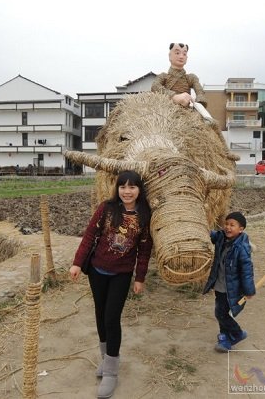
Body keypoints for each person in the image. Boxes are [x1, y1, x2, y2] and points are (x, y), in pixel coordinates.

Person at [69, 170, 153, 398]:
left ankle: (111, 373)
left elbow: (145, 250)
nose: (127, 191)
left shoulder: (144, 215)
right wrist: (77, 263)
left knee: (111, 318)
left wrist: (140, 277)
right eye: (123, 187)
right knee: (99, 314)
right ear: (117, 188)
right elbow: (89, 236)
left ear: (139, 190)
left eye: (132, 187)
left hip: (122, 274)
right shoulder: (106, 208)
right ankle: (106, 360)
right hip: (97, 270)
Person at [203, 211, 255, 352]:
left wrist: (249, 290)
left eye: (232, 225)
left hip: (232, 288)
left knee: (221, 313)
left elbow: (247, 271)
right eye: (226, 224)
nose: (228, 227)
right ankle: (225, 340)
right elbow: (211, 235)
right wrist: (202, 228)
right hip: (220, 285)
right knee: (221, 312)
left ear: (241, 229)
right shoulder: (221, 238)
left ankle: (238, 333)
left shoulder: (241, 248)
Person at [151, 42, 214, 123]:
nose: (181, 56)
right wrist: (174, 97)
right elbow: (155, 87)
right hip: (166, 112)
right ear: (170, 56)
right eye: (177, 53)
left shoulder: (191, 77)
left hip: (186, 113)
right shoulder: (163, 76)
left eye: (184, 54)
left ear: (187, 57)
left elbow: (200, 93)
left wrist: (198, 105)